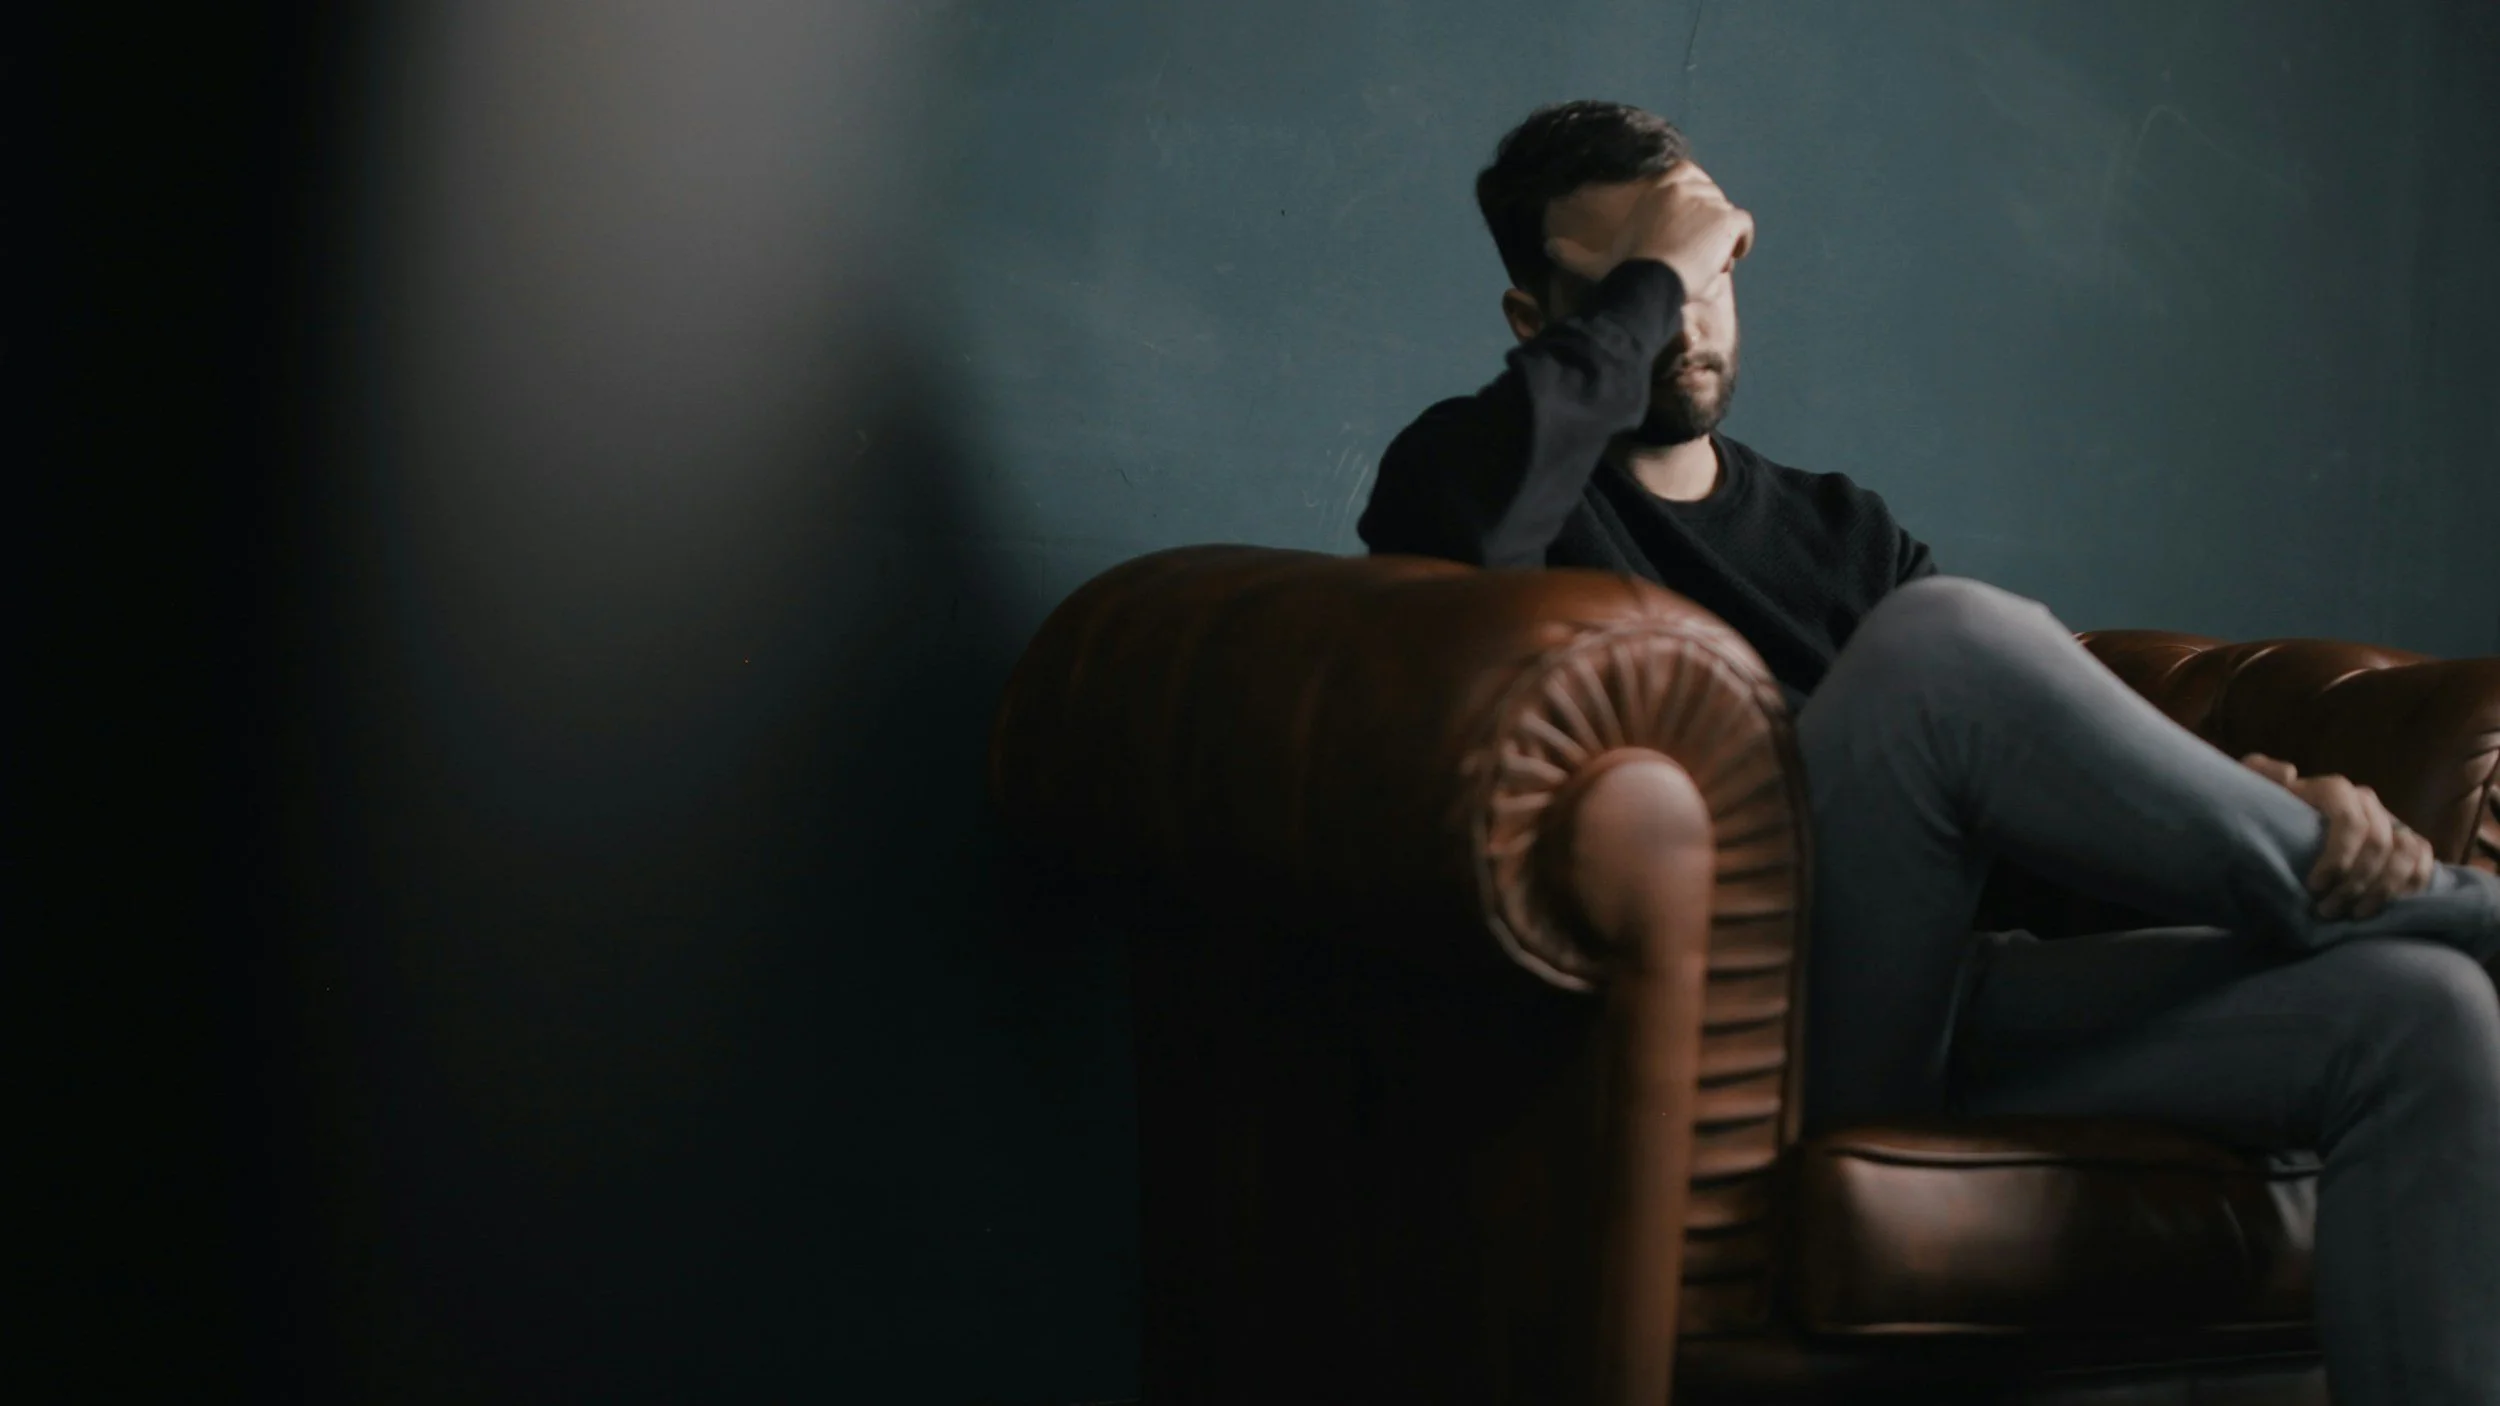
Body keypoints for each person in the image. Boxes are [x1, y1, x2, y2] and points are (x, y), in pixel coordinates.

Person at [1358, 99, 2500, 1406]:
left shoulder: (1844, 530)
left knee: (2426, 1013)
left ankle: (2399, 911)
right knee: (1944, 642)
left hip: (1945, 1006)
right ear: (1537, 321)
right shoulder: (1473, 474)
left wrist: (2238, 799)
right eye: (1634, 277)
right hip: (1750, 1042)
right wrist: (1657, 271)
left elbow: (2017, 814)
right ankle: (2458, 908)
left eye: (1706, 262)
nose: (1685, 311)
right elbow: (1451, 568)